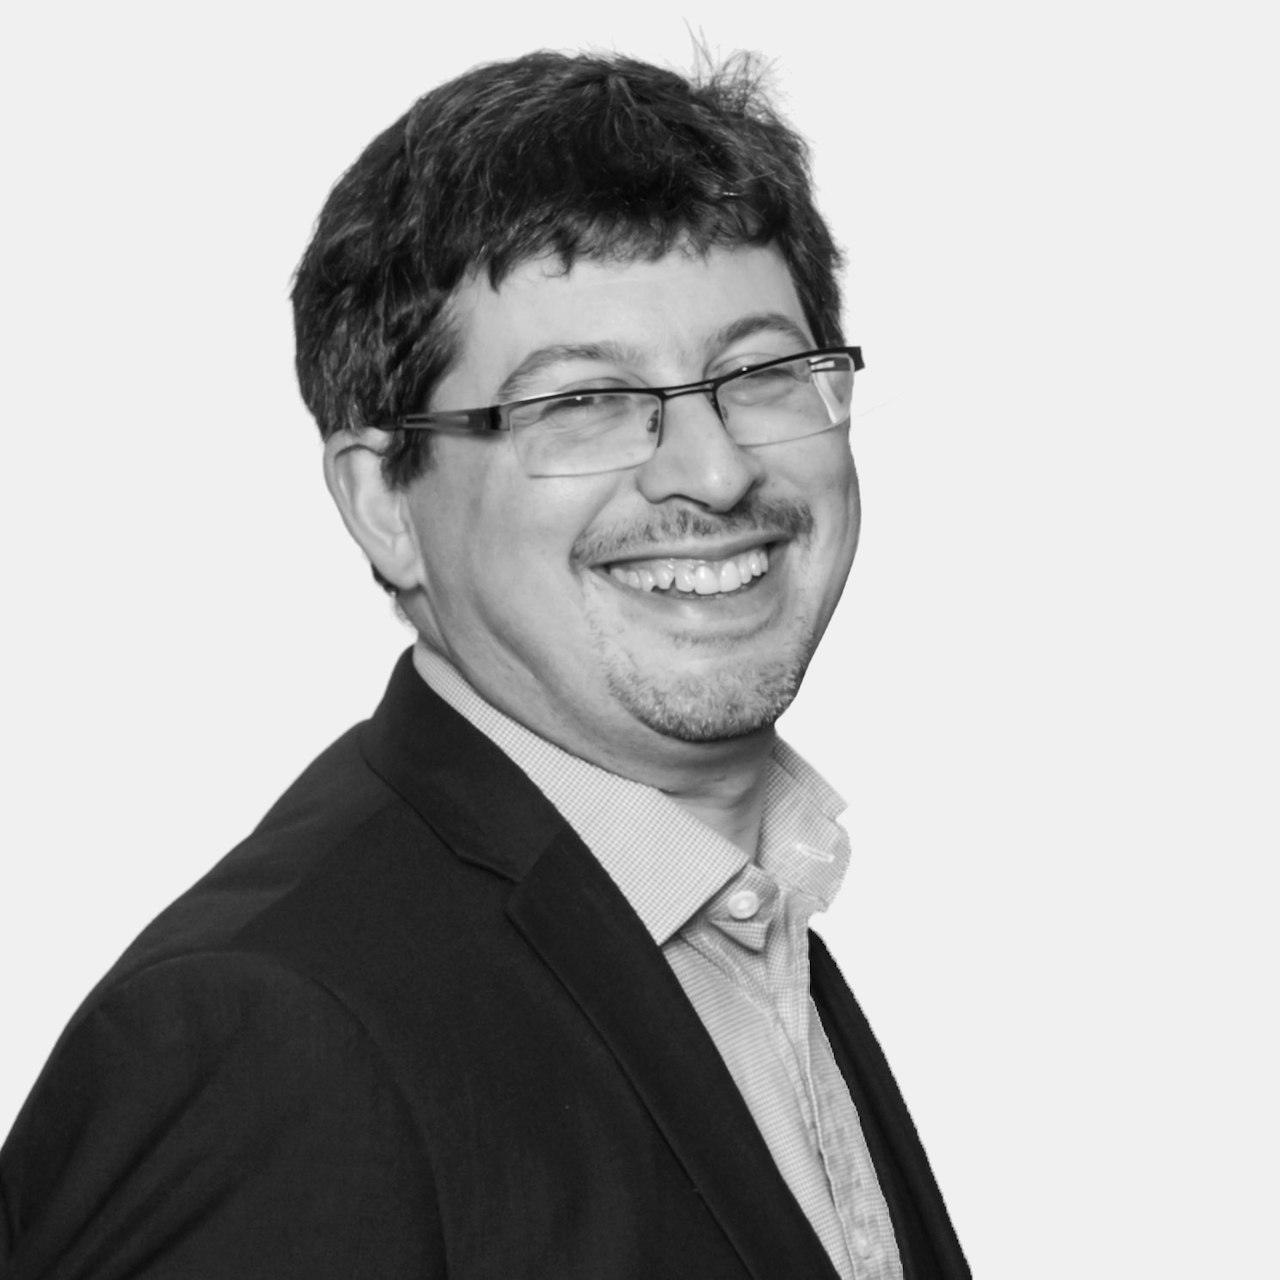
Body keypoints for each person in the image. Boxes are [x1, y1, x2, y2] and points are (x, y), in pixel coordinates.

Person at [0, 50, 969, 1280]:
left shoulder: (733, 919)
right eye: (583, 404)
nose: (714, 473)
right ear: (382, 502)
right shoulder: (276, 1035)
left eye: (761, 374)